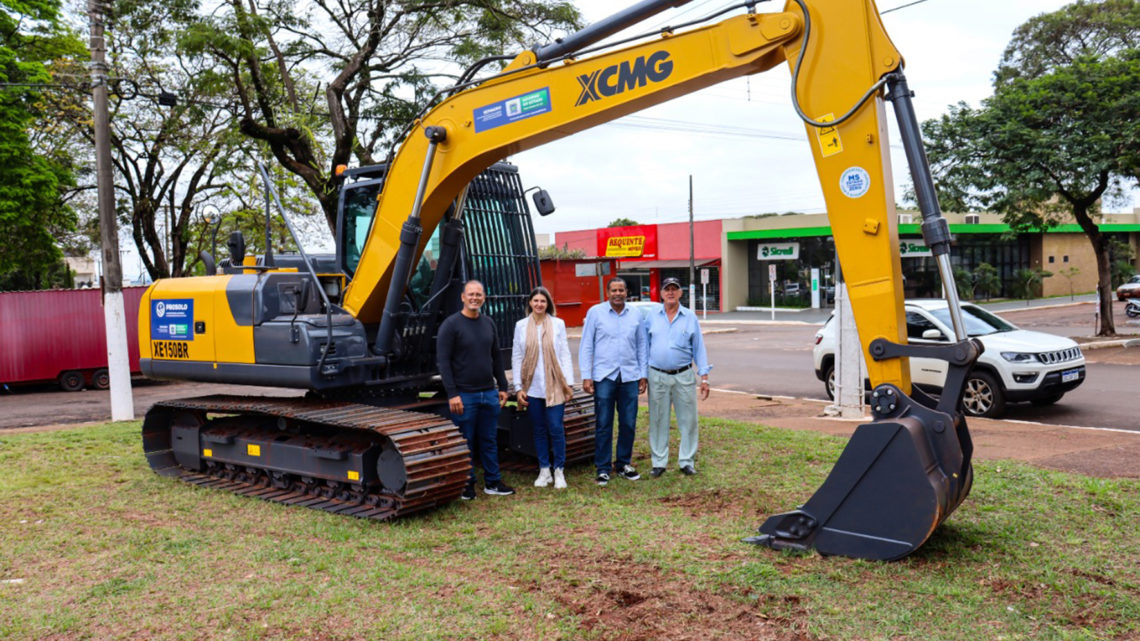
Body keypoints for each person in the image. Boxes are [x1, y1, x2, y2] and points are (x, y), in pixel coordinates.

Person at [436, 280, 515, 499]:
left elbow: (496, 357)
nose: (474, 298)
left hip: (488, 393)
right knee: (466, 440)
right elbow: (443, 362)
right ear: (462, 297)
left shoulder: (488, 323)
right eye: (470, 294)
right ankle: (467, 484)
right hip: (464, 395)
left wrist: (502, 386)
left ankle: (493, 482)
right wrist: (452, 394)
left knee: (489, 440)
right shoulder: (451, 325)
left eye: (478, 294)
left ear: (484, 298)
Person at [579, 277, 648, 486]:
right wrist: (586, 374)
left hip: (629, 376)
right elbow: (586, 345)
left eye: (621, 290)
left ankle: (623, 463)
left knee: (628, 422)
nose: (617, 293)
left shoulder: (636, 314)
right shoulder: (595, 313)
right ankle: (603, 467)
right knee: (603, 423)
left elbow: (642, 346)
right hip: (604, 377)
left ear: (627, 292)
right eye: (614, 290)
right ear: (607, 293)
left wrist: (643, 374)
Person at [646, 277, 711, 478]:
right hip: (657, 375)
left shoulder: (689, 317)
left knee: (689, 420)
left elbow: (699, 347)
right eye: (667, 289)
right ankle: (659, 462)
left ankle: (686, 461)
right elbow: (644, 347)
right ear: (662, 293)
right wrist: (642, 375)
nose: (671, 293)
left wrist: (705, 377)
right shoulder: (652, 316)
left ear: (680, 293)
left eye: (675, 289)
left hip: (683, 375)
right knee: (657, 420)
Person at [511, 287, 575, 490]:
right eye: (535, 300)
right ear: (530, 303)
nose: (539, 304)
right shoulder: (521, 326)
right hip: (532, 386)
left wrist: (568, 383)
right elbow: (517, 356)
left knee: (555, 428)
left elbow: (564, 353)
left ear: (548, 304)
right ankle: (544, 470)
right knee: (538, 430)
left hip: (555, 385)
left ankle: (559, 471)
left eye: (543, 301)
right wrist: (519, 387)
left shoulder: (558, 324)